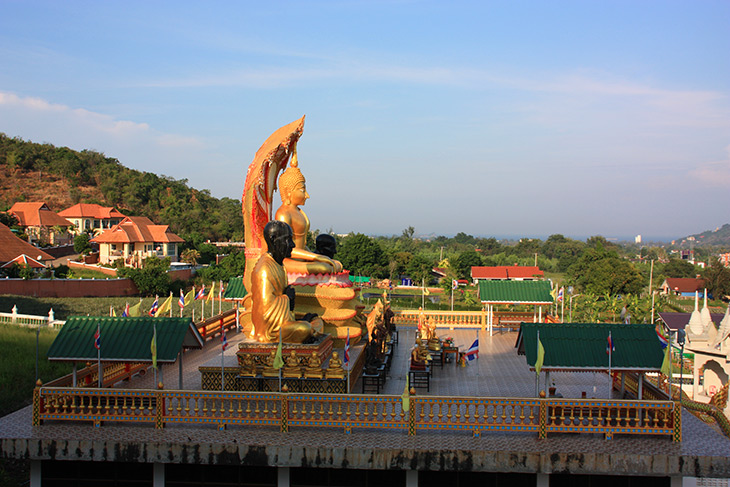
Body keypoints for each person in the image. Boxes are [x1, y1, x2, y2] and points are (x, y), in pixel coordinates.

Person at [274, 147, 343, 275]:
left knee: (336, 264)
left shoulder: (299, 213)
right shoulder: (283, 214)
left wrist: (314, 256)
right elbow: (284, 248)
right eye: (302, 190)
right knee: (324, 268)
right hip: (287, 261)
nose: (307, 195)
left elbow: (302, 245)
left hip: (302, 260)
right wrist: (316, 258)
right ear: (289, 191)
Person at [251, 221, 320, 343]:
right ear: (273, 239)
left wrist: (289, 303)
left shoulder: (280, 264)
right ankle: (306, 333)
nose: (293, 245)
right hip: (269, 330)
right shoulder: (265, 269)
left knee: (317, 321)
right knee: (305, 328)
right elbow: (266, 309)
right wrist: (287, 297)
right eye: (288, 239)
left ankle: (306, 332)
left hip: (283, 321)